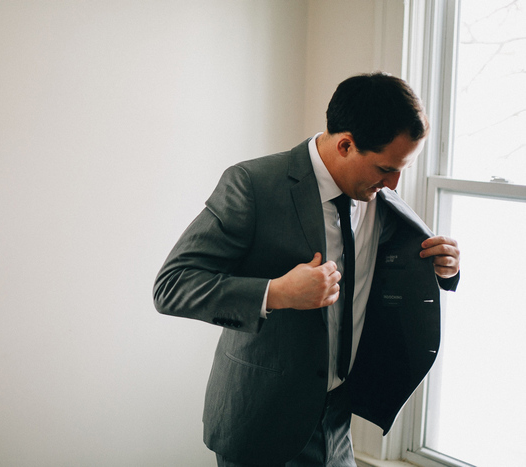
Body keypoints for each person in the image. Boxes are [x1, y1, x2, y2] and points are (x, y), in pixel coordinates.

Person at [153, 72, 460, 467]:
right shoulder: (252, 184)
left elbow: (384, 276)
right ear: (346, 144)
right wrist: (276, 293)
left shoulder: (379, 198)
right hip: (261, 422)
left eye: (404, 168)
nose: (395, 183)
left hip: (338, 420)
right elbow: (172, 285)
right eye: (387, 168)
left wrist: (443, 269)